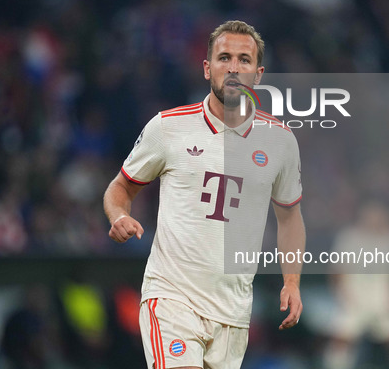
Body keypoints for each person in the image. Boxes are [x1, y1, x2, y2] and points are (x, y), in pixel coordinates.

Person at [103, 20, 306, 369]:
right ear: (206, 67)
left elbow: (289, 216)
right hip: (172, 300)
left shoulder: (280, 140)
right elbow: (120, 187)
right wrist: (119, 215)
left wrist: (292, 281)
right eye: (224, 57)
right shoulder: (168, 127)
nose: (233, 67)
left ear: (257, 75)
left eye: (243, 60)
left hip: (233, 311)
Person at [323, 201, 389, 369]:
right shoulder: (348, 237)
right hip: (353, 298)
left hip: (382, 299)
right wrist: (341, 293)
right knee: (341, 343)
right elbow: (335, 269)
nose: (375, 218)